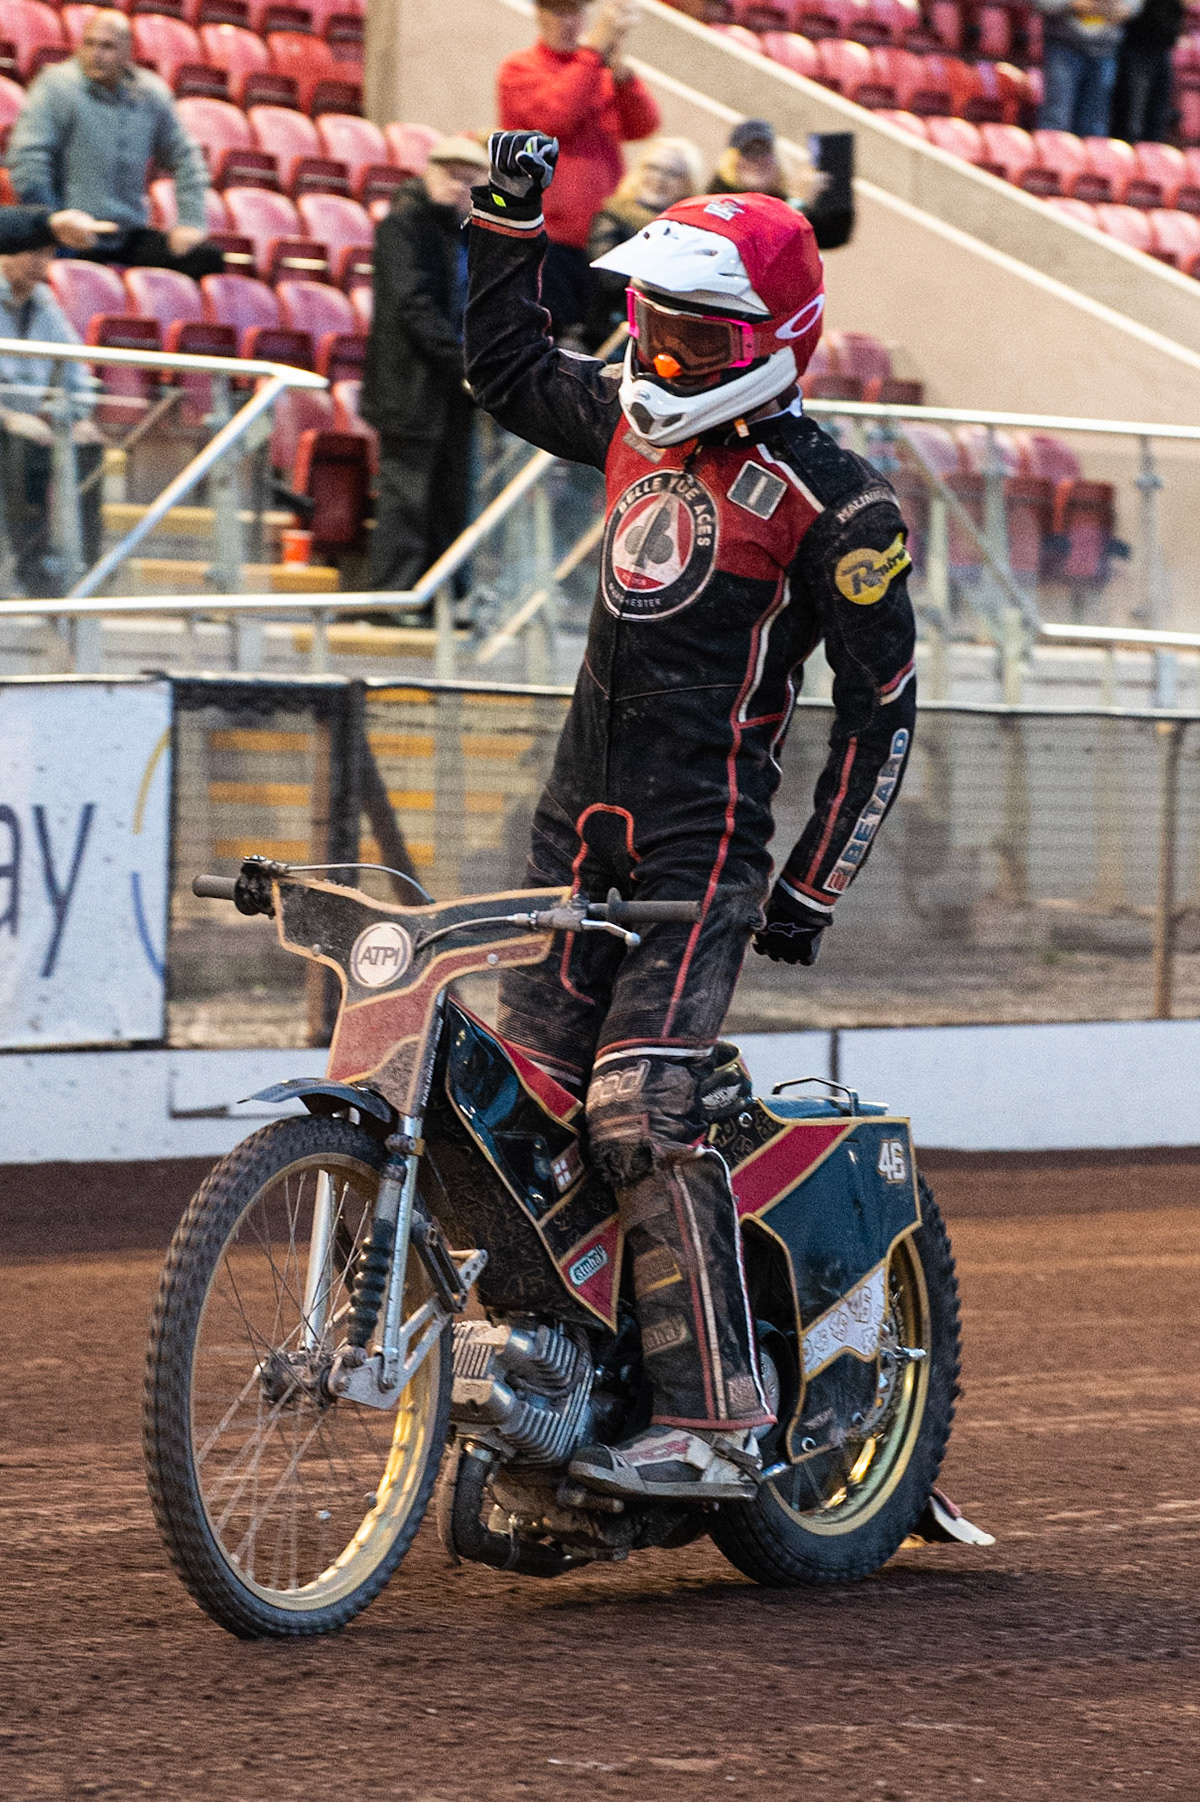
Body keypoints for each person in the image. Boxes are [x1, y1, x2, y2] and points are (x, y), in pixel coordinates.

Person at [465, 133, 917, 1502]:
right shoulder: (618, 410)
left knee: (641, 1112)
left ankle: (716, 1419)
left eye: (687, 332)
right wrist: (505, 217)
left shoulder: (839, 502)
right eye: (649, 323)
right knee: (505, 1112)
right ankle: (553, 1379)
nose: (653, 353)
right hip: (574, 829)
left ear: (773, 339)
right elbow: (500, 368)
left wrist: (812, 885)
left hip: (701, 846)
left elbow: (884, 704)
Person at [360, 134, 490, 594]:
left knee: (452, 499)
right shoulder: (403, 224)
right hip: (410, 386)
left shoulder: (472, 236)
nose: (458, 186)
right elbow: (412, 306)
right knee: (406, 499)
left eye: (469, 179)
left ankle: (445, 599)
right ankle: (392, 597)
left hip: (454, 387)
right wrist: (464, 363)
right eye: (450, 174)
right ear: (429, 171)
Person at [7, 10, 223, 281]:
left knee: (205, 258)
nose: (95, 53)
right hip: (71, 232)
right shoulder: (55, 87)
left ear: (127, 52)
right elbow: (28, 158)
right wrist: (51, 224)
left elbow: (185, 158)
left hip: (127, 234)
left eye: (107, 46)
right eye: (89, 43)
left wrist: (191, 223)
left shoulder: (151, 94)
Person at [496, 0, 660, 341]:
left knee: (599, 344)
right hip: (547, 242)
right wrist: (593, 52)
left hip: (602, 241)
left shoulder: (594, 71)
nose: (568, 22)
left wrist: (623, 75)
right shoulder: (519, 69)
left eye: (574, 12)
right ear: (540, 15)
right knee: (550, 341)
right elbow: (557, 119)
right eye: (559, 12)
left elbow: (643, 124)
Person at [0, 242, 103, 595]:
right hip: (8, 424)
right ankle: (25, 569)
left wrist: (80, 416)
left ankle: (86, 571)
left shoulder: (44, 302)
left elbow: (76, 372)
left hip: (33, 423)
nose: (40, 262)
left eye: (46, 254)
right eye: (30, 252)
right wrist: (8, 418)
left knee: (88, 443)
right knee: (19, 441)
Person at [585, 137, 703, 346]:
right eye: (653, 167)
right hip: (603, 331)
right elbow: (608, 276)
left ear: (689, 183)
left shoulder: (692, 230)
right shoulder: (613, 215)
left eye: (672, 173)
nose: (659, 178)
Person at [1033, 0, 1144, 137]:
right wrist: (1072, 4)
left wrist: (1123, 8)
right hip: (1063, 46)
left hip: (1105, 50)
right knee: (1057, 118)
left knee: (1095, 124)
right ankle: (1052, 156)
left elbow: (1132, 6)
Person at [1110, 0, 1183, 142]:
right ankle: (1127, 160)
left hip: (1163, 46)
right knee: (1133, 121)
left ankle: (1153, 159)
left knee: (1157, 116)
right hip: (1138, 46)